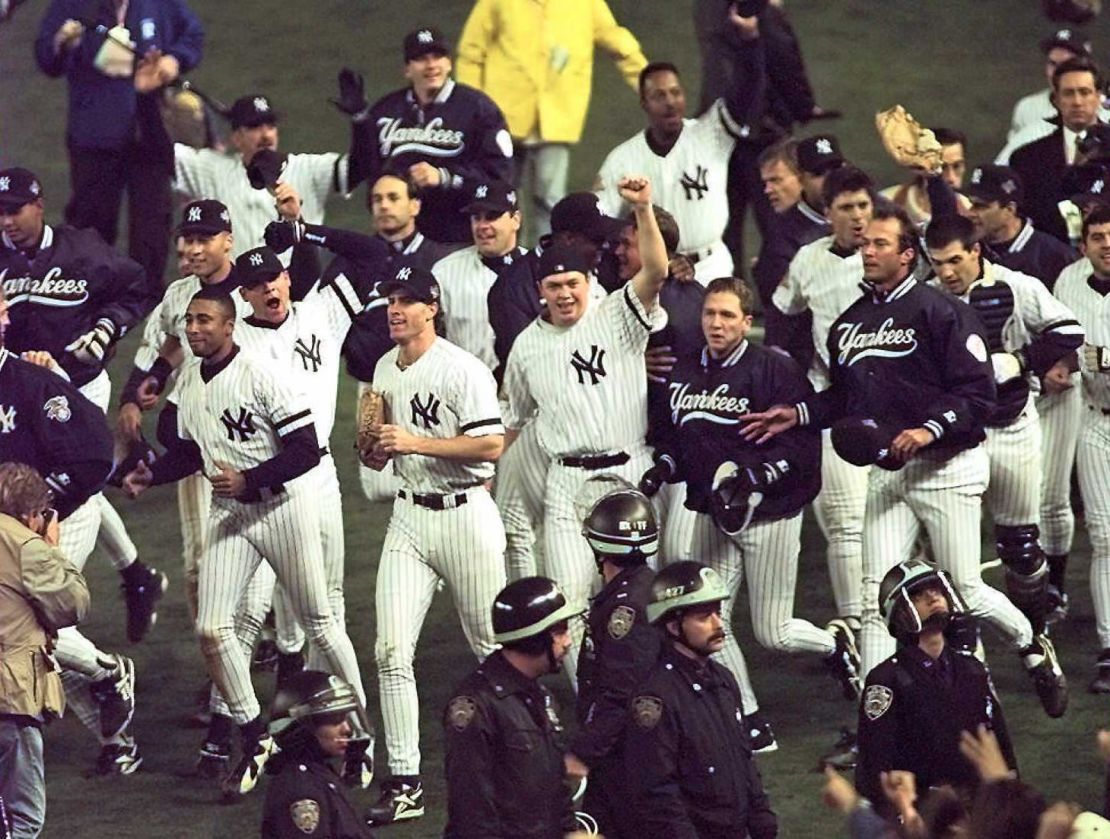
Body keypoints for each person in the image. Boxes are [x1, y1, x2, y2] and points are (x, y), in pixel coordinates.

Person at [742, 205, 1069, 719]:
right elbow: (844, 400)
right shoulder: (850, 324)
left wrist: (926, 430)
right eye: (865, 244)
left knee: (963, 590)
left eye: (878, 244)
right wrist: (799, 414)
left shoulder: (942, 312)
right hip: (888, 474)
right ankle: (878, 714)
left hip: (949, 469)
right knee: (877, 597)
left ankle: (1031, 645)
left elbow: (977, 397)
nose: (866, 251)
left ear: (906, 255)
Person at [121, 287, 367, 799]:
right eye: (189, 320)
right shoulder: (190, 380)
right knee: (213, 628)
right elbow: (191, 452)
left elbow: (307, 450)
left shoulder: (262, 376)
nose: (193, 328)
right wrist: (152, 475)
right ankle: (256, 735)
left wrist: (252, 479)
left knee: (320, 620)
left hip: (281, 509)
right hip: (230, 515)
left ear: (230, 326)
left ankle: (361, 736)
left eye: (205, 320)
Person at [194, 242, 384, 785]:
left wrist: (305, 233)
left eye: (277, 278)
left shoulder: (321, 309)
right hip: (253, 492)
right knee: (243, 616)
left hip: (315, 478)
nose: (272, 289)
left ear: (287, 278)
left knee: (327, 610)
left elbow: (369, 258)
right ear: (244, 295)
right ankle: (233, 731)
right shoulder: (237, 341)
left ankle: (348, 732)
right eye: (259, 285)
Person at [645, 276, 860, 749]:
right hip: (710, 515)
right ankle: (748, 715)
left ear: (747, 322)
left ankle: (836, 645)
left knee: (774, 633)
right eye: (709, 314)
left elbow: (804, 453)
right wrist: (664, 466)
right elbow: (677, 440)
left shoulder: (774, 372)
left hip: (771, 517)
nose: (716, 324)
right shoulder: (684, 371)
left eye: (727, 316)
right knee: (707, 619)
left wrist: (757, 477)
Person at [501, 175, 667, 679]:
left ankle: (652, 703)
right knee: (568, 600)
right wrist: (485, 475)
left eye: (572, 283)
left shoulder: (617, 313)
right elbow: (512, 419)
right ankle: (595, 706)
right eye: (553, 287)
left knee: (642, 600)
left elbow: (656, 269)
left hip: (628, 471)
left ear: (588, 282)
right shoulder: (527, 345)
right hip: (566, 482)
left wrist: (643, 210)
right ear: (540, 292)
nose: (565, 294)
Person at [361, 263, 507, 826]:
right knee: (390, 650)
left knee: (494, 651)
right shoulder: (382, 366)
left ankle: (526, 753)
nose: (395, 309)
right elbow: (381, 444)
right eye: (389, 300)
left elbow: (491, 445)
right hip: (409, 519)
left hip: (466, 518)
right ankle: (404, 780)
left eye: (406, 300)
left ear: (431, 308)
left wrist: (415, 442)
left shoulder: (461, 370)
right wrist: (377, 451)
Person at [0, 166, 165, 643]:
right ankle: (137, 575)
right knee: (52, 480)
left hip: (81, 383)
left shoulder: (82, 249)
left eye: (15, 211)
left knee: (76, 476)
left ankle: (120, 578)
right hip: (21, 387)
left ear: (38, 206)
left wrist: (107, 327)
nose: (7, 221)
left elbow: (138, 286)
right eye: (0, 213)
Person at [0, 283, 140, 777]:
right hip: (9, 533)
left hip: (62, 516)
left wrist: (41, 510)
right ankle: (115, 732)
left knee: (40, 624)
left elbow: (94, 455)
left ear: (2, 316)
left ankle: (106, 673)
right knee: (35, 629)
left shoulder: (31, 382)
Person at [925, 214, 1083, 634]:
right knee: (945, 551)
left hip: (1012, 427)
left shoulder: (1018, 286)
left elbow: (1069, 332)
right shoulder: (927, 297)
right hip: (959, 438)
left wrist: (1020, 361)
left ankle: (1033, 631)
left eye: (954, 260)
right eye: (937, 262)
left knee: (1022, 550)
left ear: (976, 251)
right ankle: (960, 642)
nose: (946, 271)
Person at [964, 165, 1080, 615]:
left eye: (981, 205)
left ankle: (1055, 587)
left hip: (1056, 393)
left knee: (1050, 500)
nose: (972, 211)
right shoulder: (975, 254)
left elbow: (1074, 319)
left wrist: (1055, 363)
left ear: (1008, 209)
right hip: (1010, 399)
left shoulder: (1049, 255)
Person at [34, 0, 204, 304]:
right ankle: (89, 294)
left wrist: (174, 61)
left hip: (150, 133)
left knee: (153, 219)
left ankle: (147, 298)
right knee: (92, 219)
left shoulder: (159, 3)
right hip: (94, 135)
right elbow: (46, 58)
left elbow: (192, 34)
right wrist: (62, 42)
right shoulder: (72, 5)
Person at [594, 8, 766, 285]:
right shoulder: (623, 159)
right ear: (644, 103)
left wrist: (750, 41)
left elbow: (747, 90)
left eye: (675, 92)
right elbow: (599, 216)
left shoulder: (711, 133)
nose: (670, 101)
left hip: (712, 268)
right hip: (656, 274)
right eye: (659, 95)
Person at [455, 0, 647, 242]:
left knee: (551, 201)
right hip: (502, 119)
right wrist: (474, 108)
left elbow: (616, 40)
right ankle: (506, 263)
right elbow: (471, 51)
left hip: (555, 117)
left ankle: (547, 262)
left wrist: (647, 82)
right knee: (499, 199)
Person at [623, 560, 778, 839]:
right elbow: (658, 794)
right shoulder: (654, 698)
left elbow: (743, 760)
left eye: (718, 613)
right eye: (704, 616)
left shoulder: (723, 680)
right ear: (673, 626)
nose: (719, 624)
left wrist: (763, 821)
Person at [855, 559, 1016, 816]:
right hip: (925, 813)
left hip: (978, 806)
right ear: (901, 612)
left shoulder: (971, 668)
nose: (933, 597)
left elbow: (998, 739)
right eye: (919, 595)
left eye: (937, 590)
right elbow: (875, 763)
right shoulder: (886, 680)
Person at [341, 27, 514, 245]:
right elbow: (363, 171)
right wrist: (360, 121)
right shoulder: (386, 110)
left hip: (458, 237)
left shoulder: (478, 109)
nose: (431, 65)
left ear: (449, 63)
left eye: (438, 57)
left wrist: (445, 177)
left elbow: (500, 178)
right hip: (398, 239)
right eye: (421, 59)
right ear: (407, 69)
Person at [442, 576, 581, 838]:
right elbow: (471, 812)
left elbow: (555, 788)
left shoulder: (540, 695)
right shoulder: (475, 709)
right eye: (559, 631)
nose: (568, 641)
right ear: (535, 638)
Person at [563, 480, 660, 837]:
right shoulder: (648, 586)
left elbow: (621, 694)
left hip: (629, 756)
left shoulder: (624, 609)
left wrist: (584, 752)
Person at [0, 463, 90, 839]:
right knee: (24, 820)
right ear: (30, 515)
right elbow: (72, 605)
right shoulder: (26, 546)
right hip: (8, 698)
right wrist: (52, 550)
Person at [173, 94, 352, 260]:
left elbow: (357, 170)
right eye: (255, 127)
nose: (266, 135)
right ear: (236, 138)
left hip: (299, 291)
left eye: (270, 126)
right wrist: (149, 90)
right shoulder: (213, 170)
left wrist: (361, 120)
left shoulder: (308, 169)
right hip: (238, 292)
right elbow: (160, 154)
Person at [1052, 205, 1110, 691]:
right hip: (1095, 421)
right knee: (1105, 537)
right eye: (1097, 236)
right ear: (1084, 243)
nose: (1106, 244)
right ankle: (1109, 650)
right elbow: (1056, 341)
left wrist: (1102, 357)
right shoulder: (1067, 281)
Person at [262, 670, 376, 839]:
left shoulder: (316, 773)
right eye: (334, 719)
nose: (347, 729)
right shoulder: (301, 791)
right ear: (303, 728)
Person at [1009, 56, 1106, 243]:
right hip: (1050, 260)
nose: (1077, 102)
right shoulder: (1026, 158)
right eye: (1069, 93)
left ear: (1098, 97)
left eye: (1085, 92)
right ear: (1056, 99)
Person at [433, 179, 527, 369]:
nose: (483, 226)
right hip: (466, 390)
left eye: (492, 216)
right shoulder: (445, 272)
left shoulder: (539, 269)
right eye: (477, 217)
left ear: (515, 220)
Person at [753, 139, 828, 364]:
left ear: (802, 177)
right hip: (800, 355)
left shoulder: (847, 217)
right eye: (765, 182)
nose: (768, 190)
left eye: (776, 180)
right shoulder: (778, 234)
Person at [1000, 27, 1096, 156]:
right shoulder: (1028, 108)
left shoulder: (1107, 111)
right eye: (1052, 64)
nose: (1056, 73)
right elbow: (1010, 160)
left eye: (1066, 64)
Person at [880, 128, 969, 227]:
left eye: (957, 166)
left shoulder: (969, 212)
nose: (951, 178)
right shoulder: (885, 203)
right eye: (941, 167)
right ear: (921, 165)